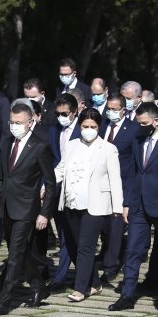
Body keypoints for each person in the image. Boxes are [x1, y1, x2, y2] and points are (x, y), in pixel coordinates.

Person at [0, 103, 57, 315]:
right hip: (7, 207)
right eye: (12, 122)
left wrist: (45, 213)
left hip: (27, 208)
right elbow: (1, 177)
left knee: (15, 256)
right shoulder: (6, 142)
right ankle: (39, 287)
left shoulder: (39, 146)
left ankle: (5, 299)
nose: (15, 126)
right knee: (19, 251)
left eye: (19, 123)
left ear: (31, 123)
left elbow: (50, 183)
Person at [54, 108, 122, 302]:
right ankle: (95, 283)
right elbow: (61, 169)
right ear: (79, 126)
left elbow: (115, 179)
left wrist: (117, 207)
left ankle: (80, 288)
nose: (89, 130)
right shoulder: (72, 145)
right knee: (75, 246)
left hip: (96, 205)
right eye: (85, 126)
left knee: (86, 246)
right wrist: (47, 184)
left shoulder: (108, 148)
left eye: (93, 127)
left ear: (99, 127)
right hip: (72, 202)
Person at [109, 102, 158, 317]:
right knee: (133, 249)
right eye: (139, 123)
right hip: (138, 204)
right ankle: (127, 294)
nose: (141, 127)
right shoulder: (139, 140)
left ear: (156, 121)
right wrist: (127, 202)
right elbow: (133, 173)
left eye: (145, 123)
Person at [97, 93, 141, 283]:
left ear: (123, 110)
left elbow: (134, 161)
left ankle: (111, 266)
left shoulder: (133, 129)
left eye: (115, 109)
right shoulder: (102, 126)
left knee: (116, 226)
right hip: (100, 183)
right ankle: (106, 254)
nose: (111, 112)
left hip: (121, 184)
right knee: (103, 225)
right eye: (109, 109)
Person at [47, 94, 81, 292]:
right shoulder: (54, 129)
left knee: (72, 234)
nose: (61, 117)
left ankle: (66, 277)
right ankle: (63, 276)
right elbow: (53, 158)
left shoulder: (84, 129)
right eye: (58, 113)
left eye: (65, 113)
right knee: (63, 232)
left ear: (74, 111)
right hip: (57, 186)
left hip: (75, 189)